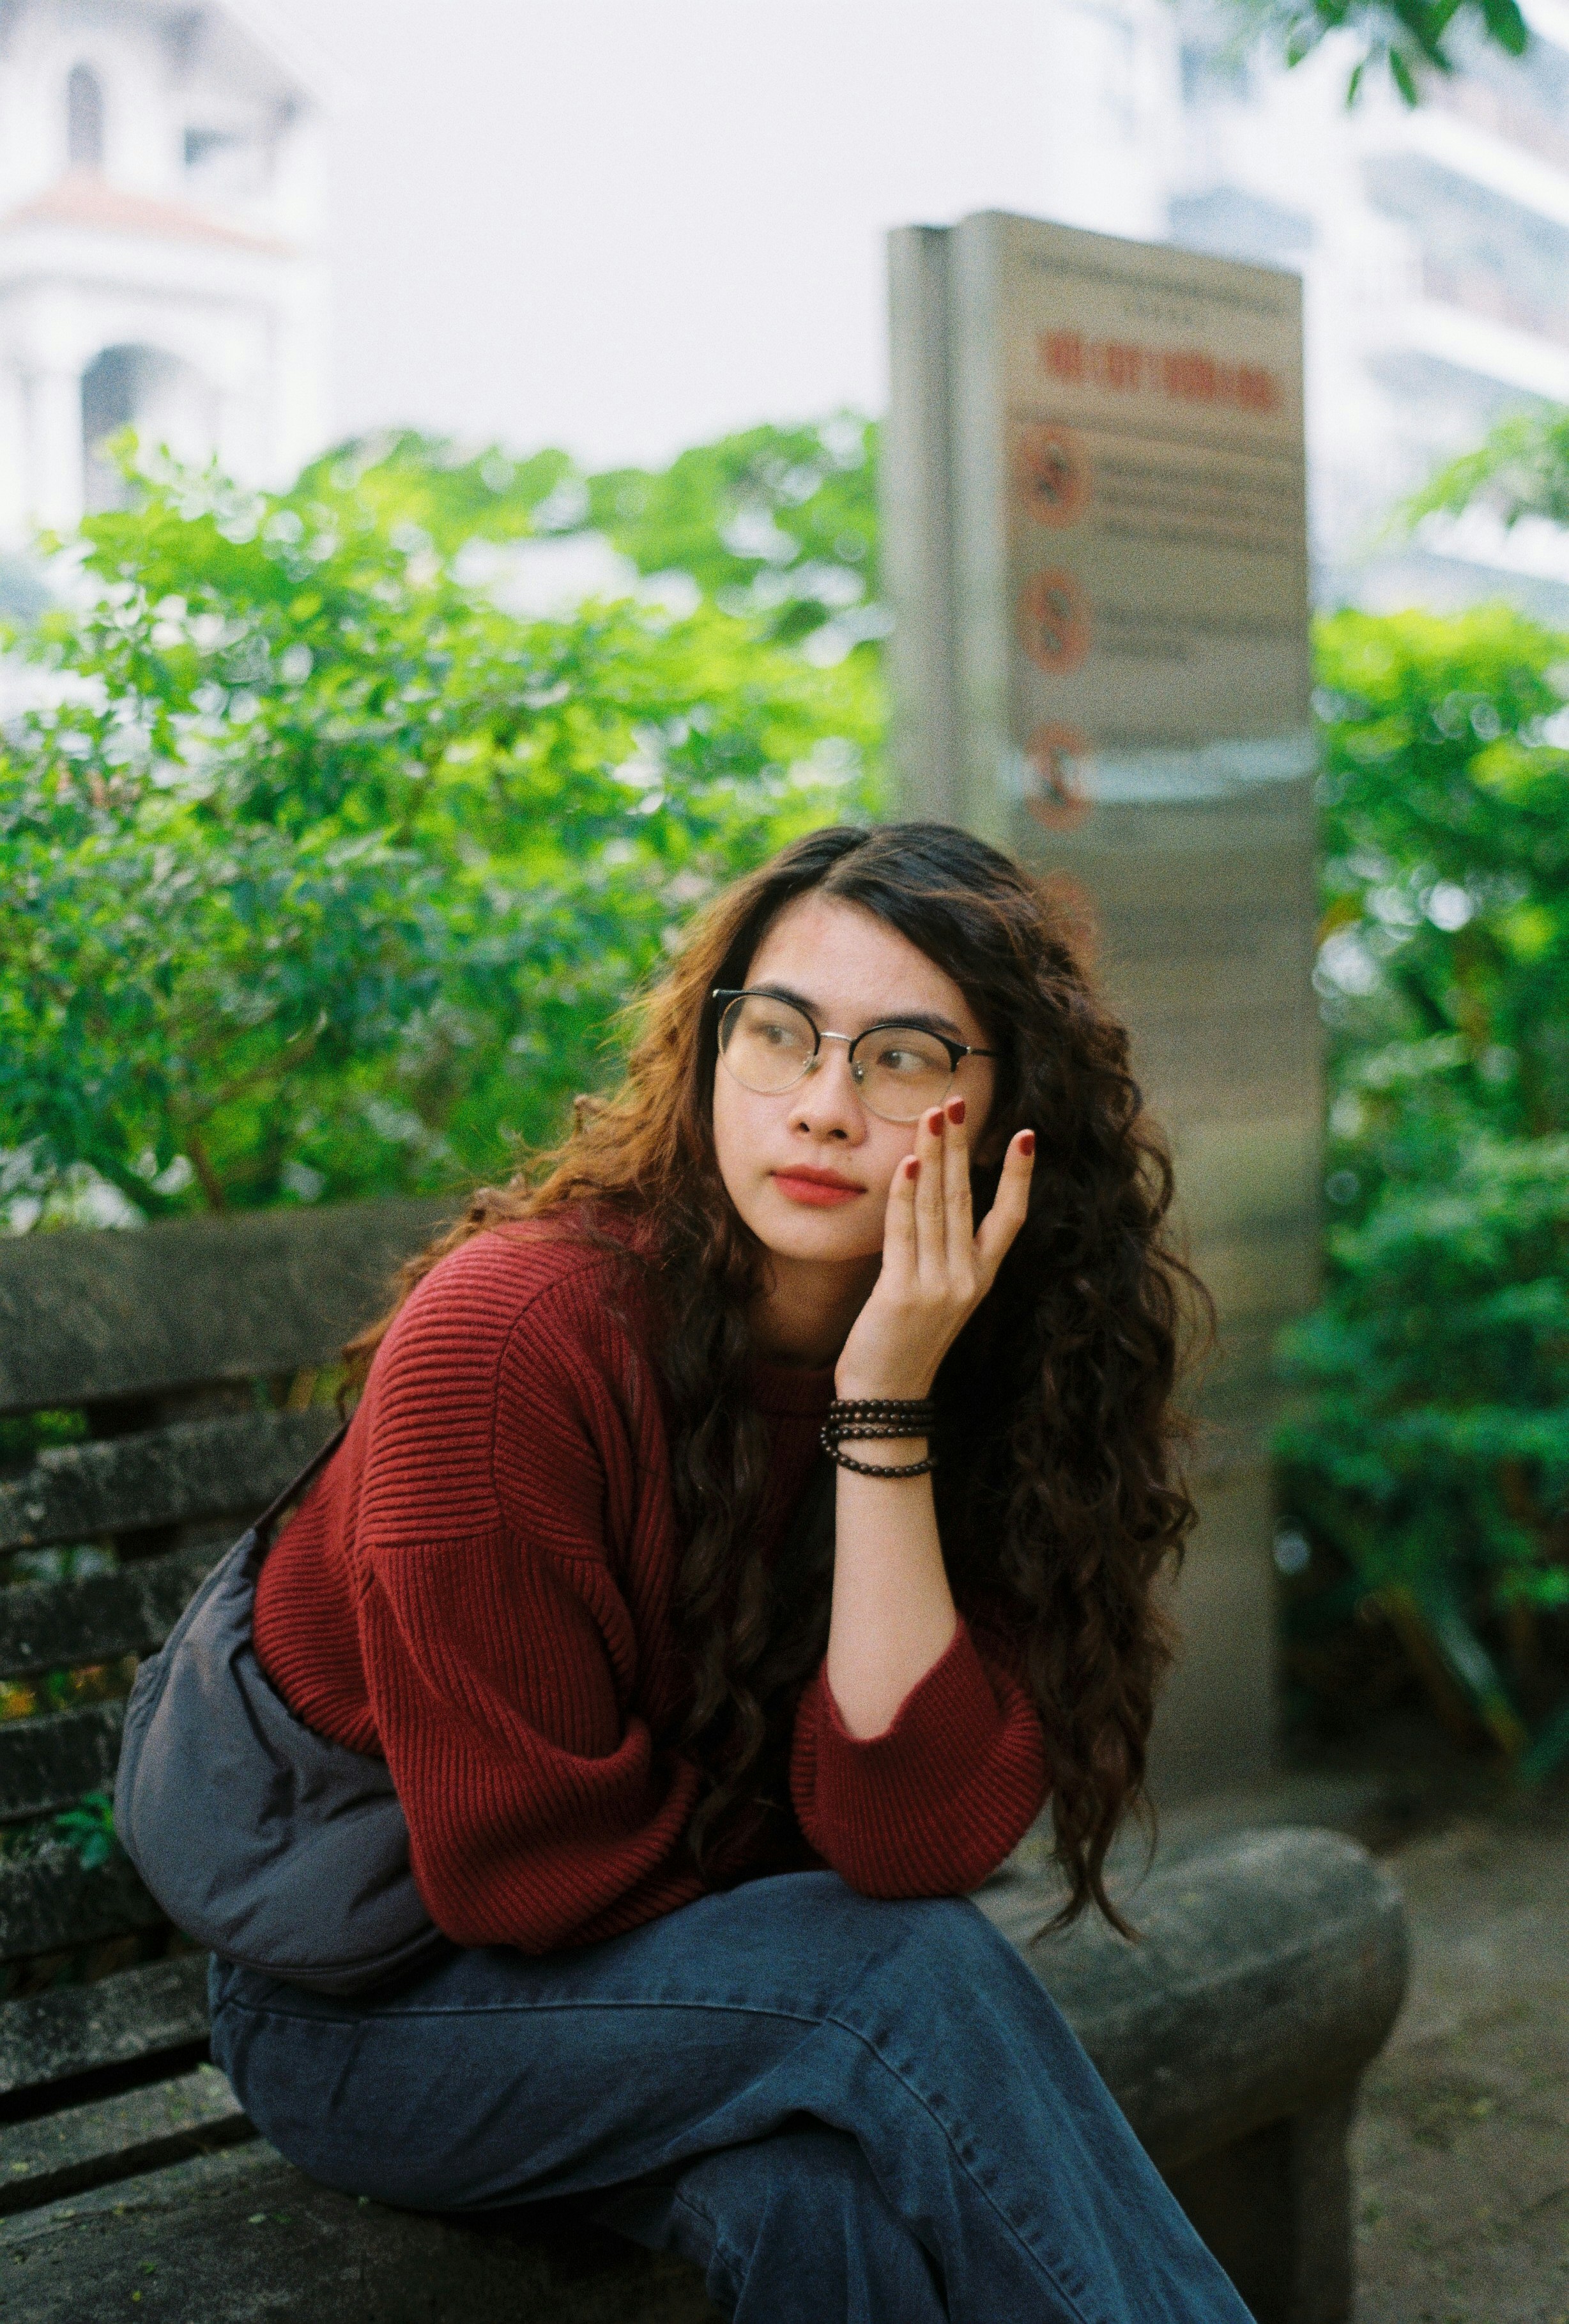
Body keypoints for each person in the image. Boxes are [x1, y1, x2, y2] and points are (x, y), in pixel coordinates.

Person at [208, 820, 1251, 2323]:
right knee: (909, 1983)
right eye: (780, 1034)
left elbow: (906, 1838)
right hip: (374, 2011)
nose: (824, 1107)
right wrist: (799, 1885)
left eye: (901, 1057)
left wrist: (881, 1405)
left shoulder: (1000, 1374)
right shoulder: (511, 1334)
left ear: (1012, 1109)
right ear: (707, 1052)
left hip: (703, 1998)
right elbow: (525, 1873)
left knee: (813, 2208)